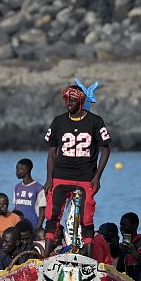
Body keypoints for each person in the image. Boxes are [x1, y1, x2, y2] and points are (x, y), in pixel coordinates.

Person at [43, 84, 111, 258]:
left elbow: (106, 149)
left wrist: (97, 177)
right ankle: (46, 255)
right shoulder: (58, 121)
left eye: (72, 100)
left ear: (80, 101)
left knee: (87, 218)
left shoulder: (95, 121)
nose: (68, 104)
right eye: (67, 100)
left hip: (85, 177)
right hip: (60, 175)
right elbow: (52, 151)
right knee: (52, 215)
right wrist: (49, 178)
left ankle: (88, 257)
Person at [13, 158, 47, 230]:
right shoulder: (17, 187)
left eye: (18, 169)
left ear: (26, 170)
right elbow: (16, 207)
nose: (16, 172)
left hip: (32, 225)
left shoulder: (38, 188)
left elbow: (42, 210)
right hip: (18, 225)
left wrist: (38, 228)